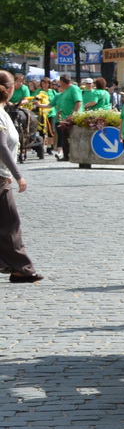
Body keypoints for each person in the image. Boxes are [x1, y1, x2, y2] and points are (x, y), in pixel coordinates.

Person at [0, 71, 41, 282]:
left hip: (2, 176)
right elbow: (1, 146)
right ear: (10, 90)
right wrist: (18, 175)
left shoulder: (3, 112)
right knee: (10, 224)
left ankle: (18, 268)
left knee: (8, 224)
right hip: (0, 178)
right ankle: (22, 268)